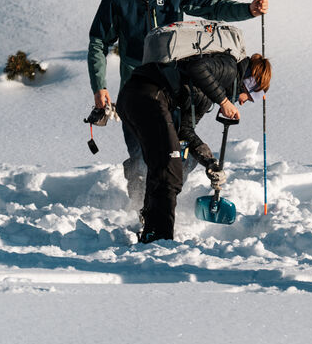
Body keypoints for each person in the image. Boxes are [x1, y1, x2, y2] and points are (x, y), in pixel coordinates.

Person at [87, 0, 268, 204]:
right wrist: (99, 86)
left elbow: (212, 7)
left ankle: (164, 201)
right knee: (141, 156)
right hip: (136, 87)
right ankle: (139, 207)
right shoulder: (116, 0)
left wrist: (248, 10)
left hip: (174, 87)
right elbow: (98, 43)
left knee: (177, 152)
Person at [116, 52, 271, 243]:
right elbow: (196, 67)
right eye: (249, 96)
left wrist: (210, 162)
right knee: (170, 170)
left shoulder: (208, 93)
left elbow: (185, 131)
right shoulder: (229, 68)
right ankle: (158, 237)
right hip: (147, 96)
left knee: (163, 165)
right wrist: (223, 101)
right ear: (249, 82)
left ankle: (150, 224)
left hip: (136, 98)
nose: (242, 101)